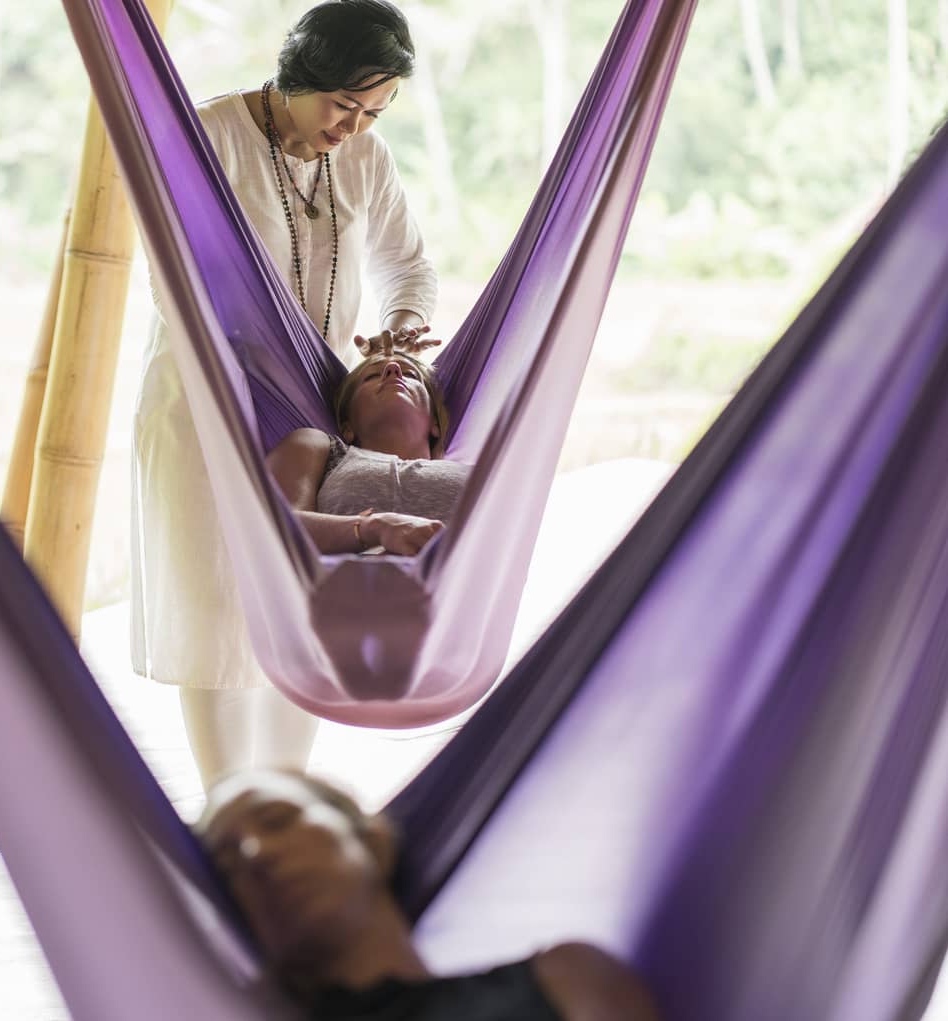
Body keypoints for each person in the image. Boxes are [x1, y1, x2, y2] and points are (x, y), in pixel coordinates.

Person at [132, 0, 440, 789]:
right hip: (205, 398)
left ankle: (292, 801)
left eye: (374, 111)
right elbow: (179, 282)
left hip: (313, 411)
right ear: (299, 76)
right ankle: (232, 807)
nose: (355, 127)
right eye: (343, 104)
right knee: (215, 607)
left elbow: (407, 266)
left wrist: (401, 329)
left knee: (308, 600)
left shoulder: (365, 159)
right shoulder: (209, 138)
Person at [197, 770, 663, 1020]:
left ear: (373, 843)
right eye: (228, 866)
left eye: (279, 819)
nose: (256, 854)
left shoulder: (563, 978)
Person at [267, 349, 469, 557]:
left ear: (435, 424)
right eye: (372, 376)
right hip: (344, 586)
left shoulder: (484, 470)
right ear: (347, 428)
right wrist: (372, 528)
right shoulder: (320, 447)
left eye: (410, 375)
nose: (394, 369)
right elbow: (268, 522)